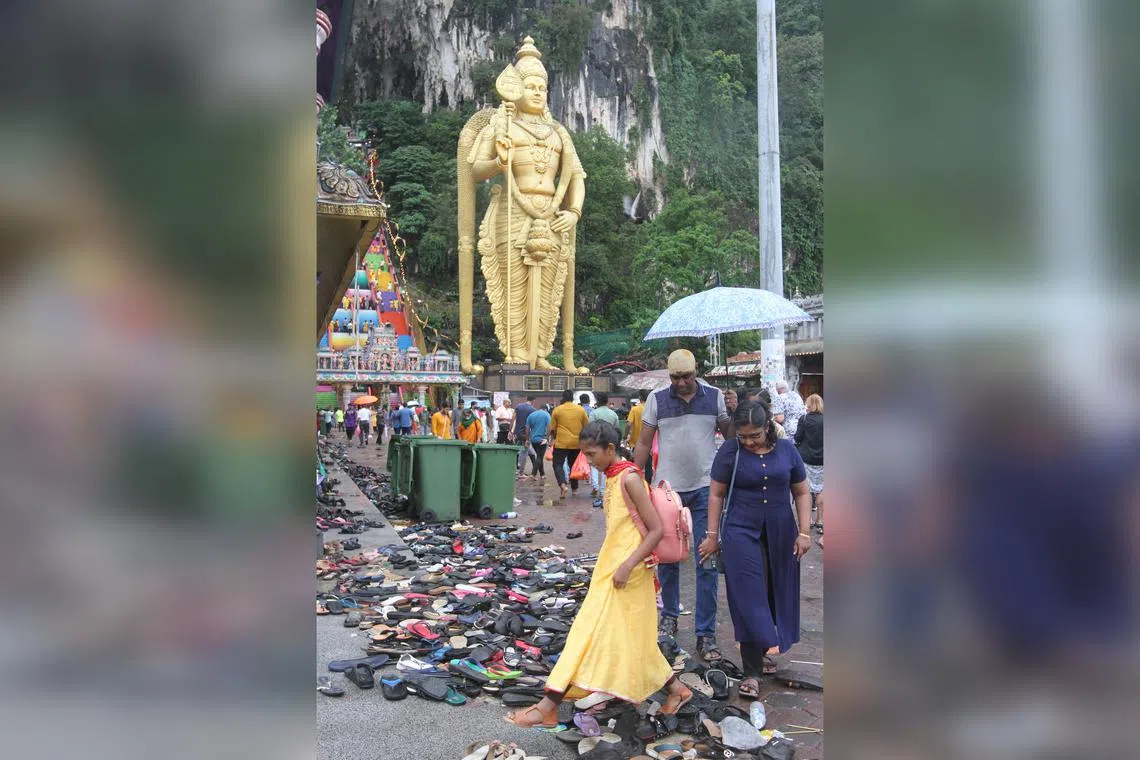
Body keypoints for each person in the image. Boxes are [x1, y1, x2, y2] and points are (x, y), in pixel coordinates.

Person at [506, 421, 693, 727]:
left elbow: (656, 530)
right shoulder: (613, 475)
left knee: (589, 633)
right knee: (632, 639)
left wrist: (626, 565)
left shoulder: (630, 478)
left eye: (592, 454)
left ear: (610, 449)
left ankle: (548, 705)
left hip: (627, 573)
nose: (588, 461)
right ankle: (678, 689)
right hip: (614, 568)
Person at [699, 401, 812, 698]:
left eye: (755, 436)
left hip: (781, 533)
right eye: (743, 436)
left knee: (775, 592)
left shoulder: (788, 450)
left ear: (768, 429)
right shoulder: (730, 451)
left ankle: (760, 652)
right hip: (739, 533)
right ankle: (751, 672)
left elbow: (801, 492)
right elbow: (715, 494)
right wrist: (712, 536)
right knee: (748, 596)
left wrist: (804, 532)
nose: (748, 442)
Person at [633, 349, 733, 662]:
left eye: (686, 376)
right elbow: (644, 443)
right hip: (667, 492)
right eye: (675, 377)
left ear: (695, 371)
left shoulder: (716, 396)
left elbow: (730, 439)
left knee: (707, 558)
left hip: (707, 489)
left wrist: (733, 409)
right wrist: (635, 480)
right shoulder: (656, 399)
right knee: (668, 559)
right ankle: (670, 619)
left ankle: (705, 633)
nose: (681, 383)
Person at [550, 389, 589, 499]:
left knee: (557, 464)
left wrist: (551, 439)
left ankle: (562, 484)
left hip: (561, 442)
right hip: (576, 443)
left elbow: (553, 428)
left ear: (563, 398)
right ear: (572, 398)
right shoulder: (580, 410)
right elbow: (586, 426)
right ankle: (575, 490)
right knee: (573, 466)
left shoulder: (557, 410)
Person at [795, 394, 824, 537]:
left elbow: (797, 437)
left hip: (806, 457)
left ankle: (808, 520)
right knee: (822, 490)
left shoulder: (804, 419)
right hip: (824, 459)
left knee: (806, 490)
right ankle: (820, 519)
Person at [588, 392, 619, 506]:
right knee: (608, 466)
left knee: (595, 465)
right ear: (607, 401)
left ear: (597, 402)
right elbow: (616, 429)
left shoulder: (594, 413)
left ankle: (596, 487)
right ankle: (604, 490)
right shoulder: (613, 414)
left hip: (597, 442)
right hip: (610, 442)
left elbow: (590, 429)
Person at [625, 389, 651, 482]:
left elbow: (628, 424)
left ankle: (635, 482)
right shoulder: (651, 408)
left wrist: (625, 436)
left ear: (640, 397)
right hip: (650, 441)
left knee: (635, 465)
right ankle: (648, 485)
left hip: (636, 442)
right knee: (649, 466)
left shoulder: (635, 409)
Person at [524, 401, 551, 480]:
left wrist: (527, 439)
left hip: (533, 440)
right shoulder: (547, 415)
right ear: (545, 409)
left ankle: (542, 474)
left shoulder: (531, 415)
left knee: (539, 456)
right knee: (539, 457)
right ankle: (533, 474)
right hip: (542, 439)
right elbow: (549, 426)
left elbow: (527, 428)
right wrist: (547, 437)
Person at [513, 396, 537, 476]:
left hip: (517, 432)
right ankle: (520, 473)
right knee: (524, 453)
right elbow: (532, 424)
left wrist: (511, 431)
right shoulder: (532, 410)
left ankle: (535, 469)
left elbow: (513, 419)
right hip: (525, 434)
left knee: (531, 452)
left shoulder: (518, 406)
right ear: (533, 400)